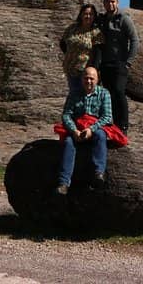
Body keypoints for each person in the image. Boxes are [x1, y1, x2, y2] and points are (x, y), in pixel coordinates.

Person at [56, 66, 112, 194]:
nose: (88, 81)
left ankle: (98, 173)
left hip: (95, 126)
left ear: (97, 80)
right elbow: (66, 114)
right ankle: (64, 183)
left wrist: (91, 129)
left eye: (92, 78)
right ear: (81, 79)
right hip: (77, 128)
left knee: (101, 136)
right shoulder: (74, 94)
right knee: (68, 142)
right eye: (86, 78)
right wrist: (73, 130)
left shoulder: (104, 94)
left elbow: (107, 117)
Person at [97, 0, 139, 134]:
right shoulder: (101, 20)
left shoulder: (123, 19)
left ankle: (123, 126)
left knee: (119, 92)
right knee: (109, 95)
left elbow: (134, 40)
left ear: (117, 2)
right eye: (108, 1)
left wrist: (128, 62)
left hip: (120, 63)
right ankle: (113, 125)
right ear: (104, 3)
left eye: (113, 1)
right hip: (105, 64)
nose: (110, 4)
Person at [59, 3, 103, 93]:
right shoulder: (72, 28)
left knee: (85, 97)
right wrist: (71, 54)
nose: (88, 16)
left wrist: (93, 70)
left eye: (91, 14)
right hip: (71, 68)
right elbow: (63, 43)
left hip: (86, 72)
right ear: (81, 15)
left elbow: (98, 53)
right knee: (74, 95)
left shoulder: (96, 32)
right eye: (85, 13)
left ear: (94, 16)